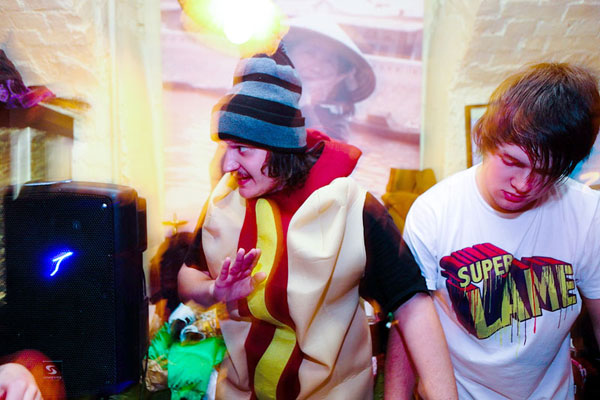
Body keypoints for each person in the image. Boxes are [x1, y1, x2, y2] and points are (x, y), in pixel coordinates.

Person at [178, 44, 457, 399]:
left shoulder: (351, 209)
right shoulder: (226, 198)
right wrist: (213, 291)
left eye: (242, 148)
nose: (228, 164)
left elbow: (412, 303)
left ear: (279, 145)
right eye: (225, 146)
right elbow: (189, 276)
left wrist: (441, 392)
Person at [402, 62, 600, 399]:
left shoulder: (587, 213)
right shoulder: (433, 212)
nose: (524, 184)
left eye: (546, 173)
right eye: (513, 162)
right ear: (486, 138)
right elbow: (410, 322)